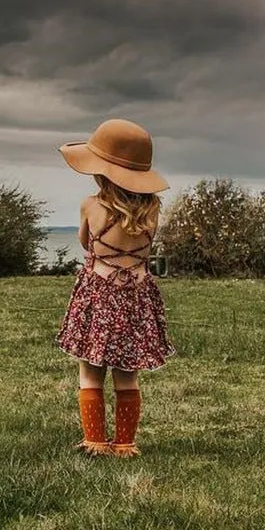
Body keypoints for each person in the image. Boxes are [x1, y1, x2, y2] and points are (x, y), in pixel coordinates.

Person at [55, 118, 175, 457]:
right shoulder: (152, 210)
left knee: (90, 370)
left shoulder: (91, 206)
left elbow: (85, 242)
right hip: (137, 296)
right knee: (127, 374)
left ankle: (95, 440)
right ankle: (125, 443)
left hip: (99, 294)